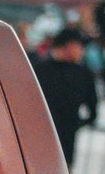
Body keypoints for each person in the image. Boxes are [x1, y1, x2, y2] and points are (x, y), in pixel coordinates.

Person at [32, 32, 98, 161]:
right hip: (64, 146)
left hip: (34, 145)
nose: (82, 51)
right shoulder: (83, 75)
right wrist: (75, 123)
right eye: (80, 47)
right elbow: (93, 112)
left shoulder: (38, 70)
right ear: (70, 46)